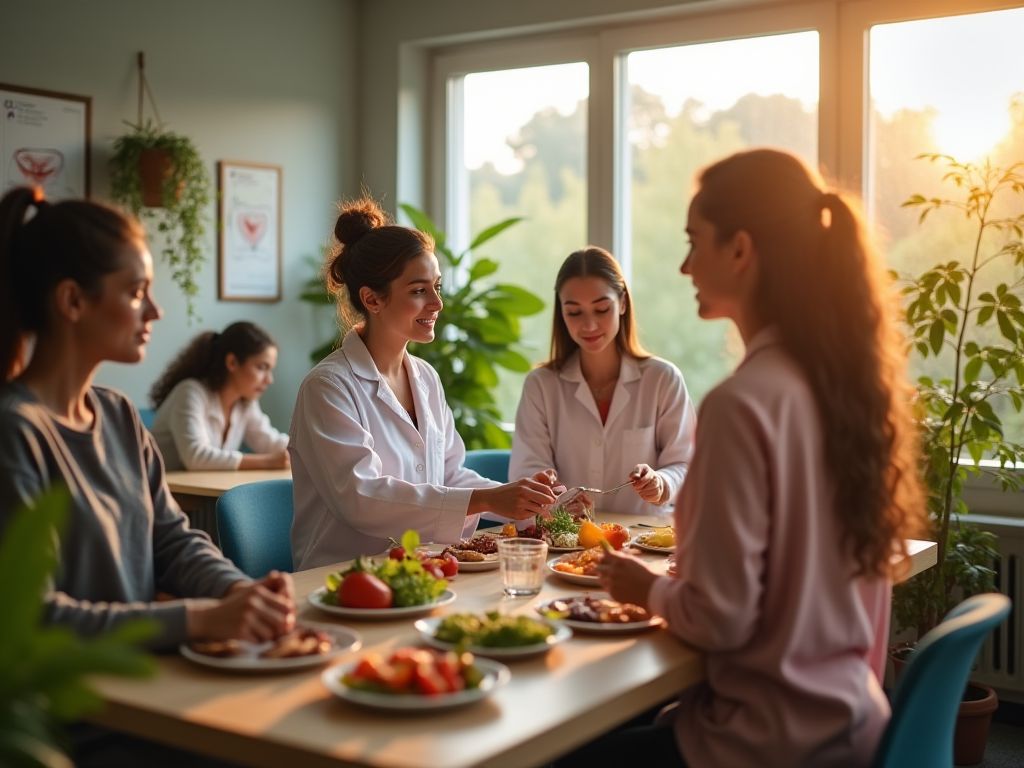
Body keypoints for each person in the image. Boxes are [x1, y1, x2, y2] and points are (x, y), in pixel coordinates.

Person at [578, 150, 927, 767]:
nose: (685, 265)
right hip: (850, 718)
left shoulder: (741, 404)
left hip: (768, 741)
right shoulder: (844, 387)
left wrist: (643, 586)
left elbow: (720, 622)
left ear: (740, 250)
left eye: (694, 242)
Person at [0, 186, 295, 650]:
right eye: (137, 293)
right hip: (71, 711)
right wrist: (200, 620)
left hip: (145, 682)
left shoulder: (118, 414)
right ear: (73, 301)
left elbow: (173, 539)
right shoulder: (15, 431)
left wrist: (238, 591)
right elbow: (33, 616)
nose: (155, 311)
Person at [289, 197, 560, 569]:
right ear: (372, 299)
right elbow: (361, 497)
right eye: (419, 291)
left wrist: (532, 501)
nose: (437, 303)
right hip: (346, 580)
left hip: (423, 572)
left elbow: (450, 474)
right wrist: (488, 500)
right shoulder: (328, 388)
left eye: (437, 287)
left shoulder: (425, 378)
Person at [510, 247, 695, 517]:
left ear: (622, 303)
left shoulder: (662, 379)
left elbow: (684, 463)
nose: (589, 325)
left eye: (601, 309)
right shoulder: (541, 385)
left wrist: (661, 483)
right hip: (566, 542)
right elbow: (527, 472)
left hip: (644, 540)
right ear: (561, 313)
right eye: (574, 312)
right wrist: (557, 502)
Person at [149, 321, 289, 471]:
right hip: (162, 490)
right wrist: (268, 462)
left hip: (198, 489)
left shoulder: (245, 403)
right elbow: (196, 457)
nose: (269, 380)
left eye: (270, 370)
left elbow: (271, 442)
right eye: (262, 367)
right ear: (232, 362)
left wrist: (310, 446)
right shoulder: (190, 392)